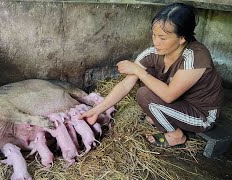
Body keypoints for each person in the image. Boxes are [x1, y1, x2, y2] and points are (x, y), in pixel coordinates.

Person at [79, 3, 224, 148]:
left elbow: (169, 95)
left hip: (201, 115)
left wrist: (138, 70)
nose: (156, 42)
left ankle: (176, 135)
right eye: (154, 35)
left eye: (162, 38)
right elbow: (125, 84)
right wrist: (97, 110)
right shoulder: (153, 53)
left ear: (182, 38)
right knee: (146, 77)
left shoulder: (194, 56)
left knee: (145, 94)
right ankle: (163, 115)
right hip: (180, 103)